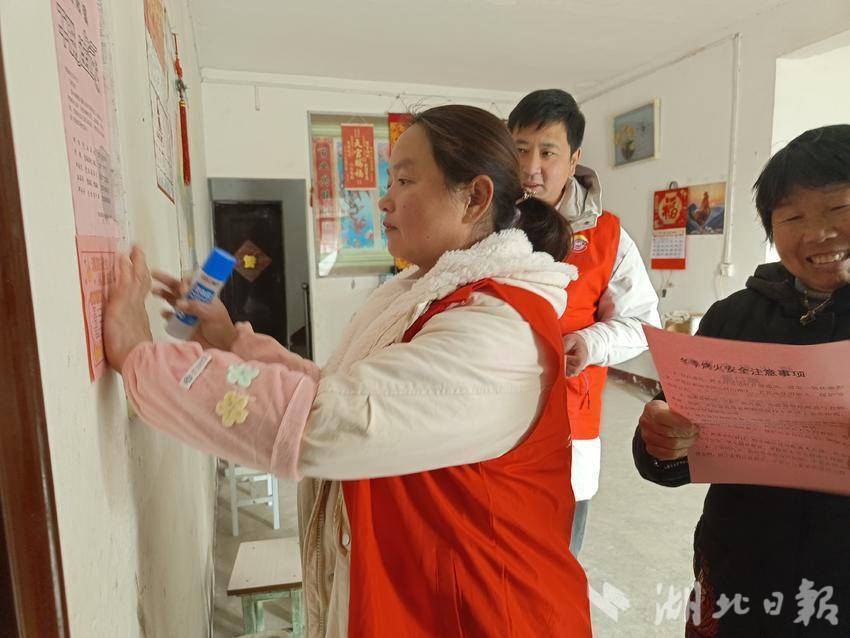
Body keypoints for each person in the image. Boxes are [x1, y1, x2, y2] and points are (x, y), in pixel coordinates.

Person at [104, 105, 592, 637]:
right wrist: (227, 340)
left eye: (405, 180)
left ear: (474, 197)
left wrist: (142, 359)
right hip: (433, 593)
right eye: (389, 179)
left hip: (490, 612)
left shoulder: (499, 331)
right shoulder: (422, 293)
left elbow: (328, 421)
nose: (385, 199)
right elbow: (339, 390)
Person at [633, 124, 850, 637]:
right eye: (793, 217)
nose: (817, 234)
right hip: (741, 577)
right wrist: (660, 441)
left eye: (839, 209)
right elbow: (668, 459)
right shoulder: (733, 318)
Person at [508, 89, 660, 556]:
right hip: (489, 415)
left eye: (547, 152)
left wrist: (590, 343)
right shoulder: (482, 219)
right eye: (520, 149)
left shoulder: (608, 236)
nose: (531, 167)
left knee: (558, 557)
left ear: (574, 160)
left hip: (569, 420)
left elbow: (642, 323)